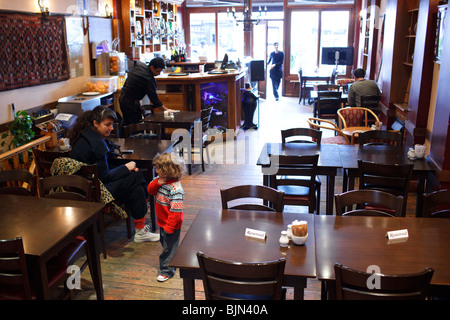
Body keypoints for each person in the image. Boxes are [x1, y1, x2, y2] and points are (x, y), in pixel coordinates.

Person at [68, 106, 159, 243]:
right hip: (97, 192)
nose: (111, 128)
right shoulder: (97, 144)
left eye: (112, 124)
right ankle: (141, 228)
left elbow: (101, 170)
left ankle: (141, 229)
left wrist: (125, 169)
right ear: (95, 123)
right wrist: (126, 167)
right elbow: (105, 176)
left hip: (84, 188)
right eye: (107, 124)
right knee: (137, 177)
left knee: (136, 187)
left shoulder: (84, 136)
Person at [147, 152, 185, 282]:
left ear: (167, 170)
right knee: (166, 244)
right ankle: (174, 258)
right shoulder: (160, 181)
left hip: (171, 224)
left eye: (158, 168)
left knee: (168, 248)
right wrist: (157, 182)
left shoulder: (176, 189)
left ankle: (167, 270)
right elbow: (150, 191)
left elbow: (175, 211)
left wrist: (169, 227)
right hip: (162, 222)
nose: (156, 170)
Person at [119, 57, 175, 126]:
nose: (158, 74)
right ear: (152, 67)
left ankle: (123, 135)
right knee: (133, 126)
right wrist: (166, 109)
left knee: (127, 123)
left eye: (160, 72)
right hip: (129, 102)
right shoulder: (148, 78)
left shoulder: (140, 65)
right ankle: (127, 136)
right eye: (157, 71)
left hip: (123, 99)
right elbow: (154, 98)